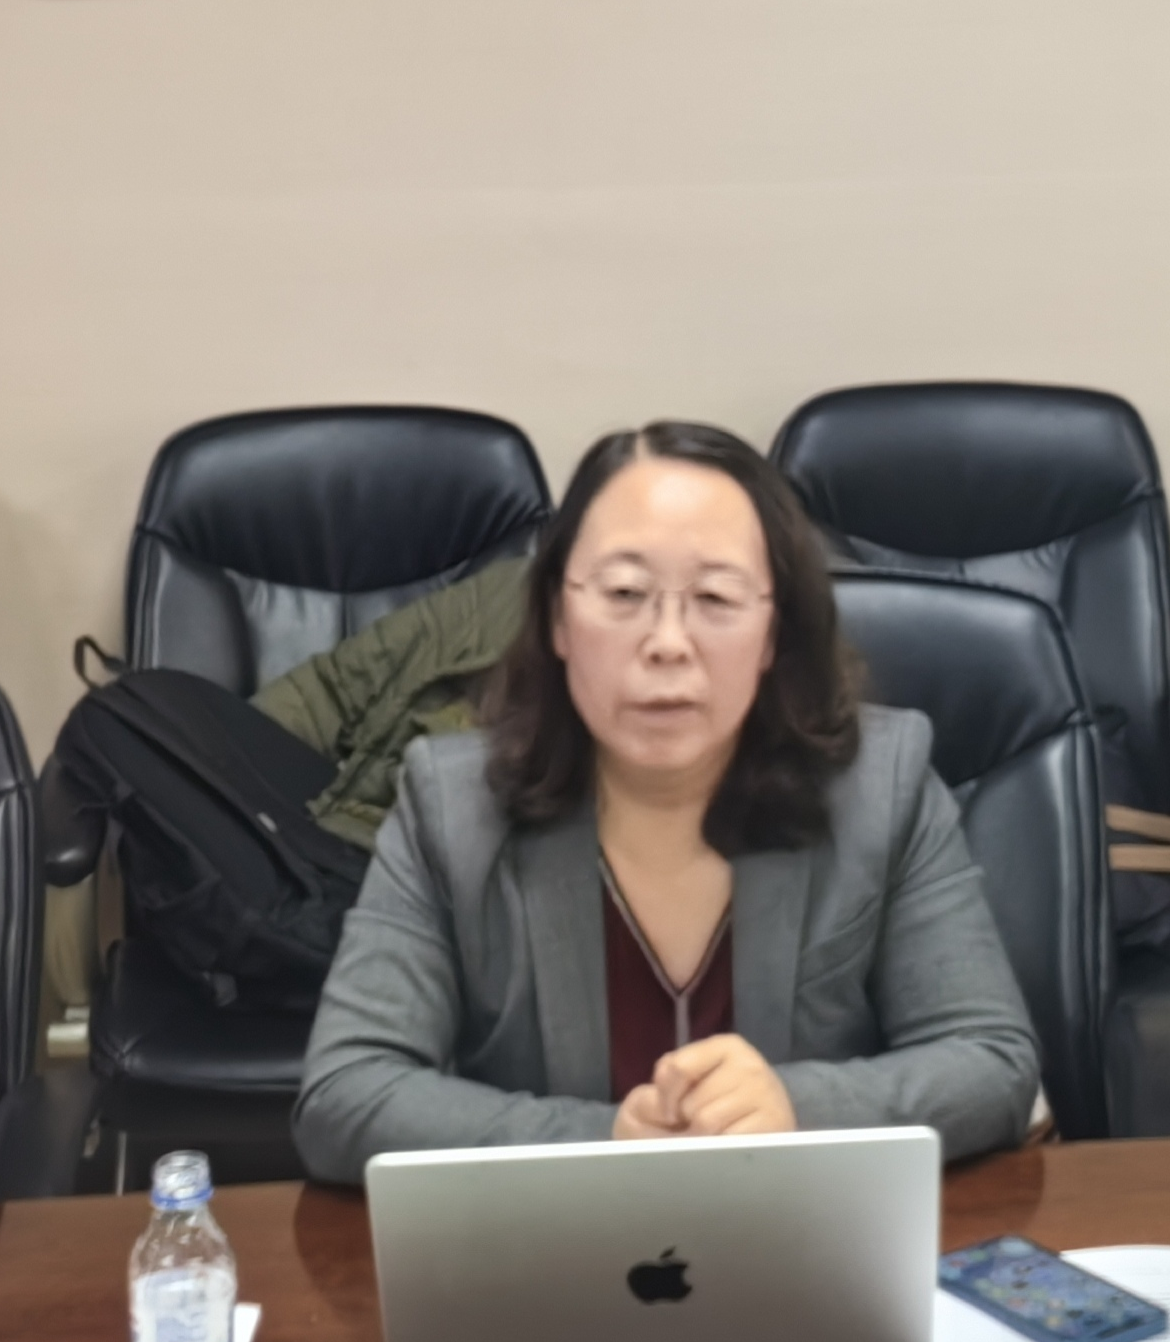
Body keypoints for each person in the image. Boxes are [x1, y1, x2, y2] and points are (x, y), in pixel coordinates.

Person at [291, 421, 1042, 1182]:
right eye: (625, 593)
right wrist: (605, 1142)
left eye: (715, 597)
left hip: (802, 1235)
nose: (668, 642)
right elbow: (345, 1095)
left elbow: (992, 1061)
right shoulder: (450, 806)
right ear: (556, 617)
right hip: (559, 1245)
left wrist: (796, 1108)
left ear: (772, 632)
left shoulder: (881, 785)